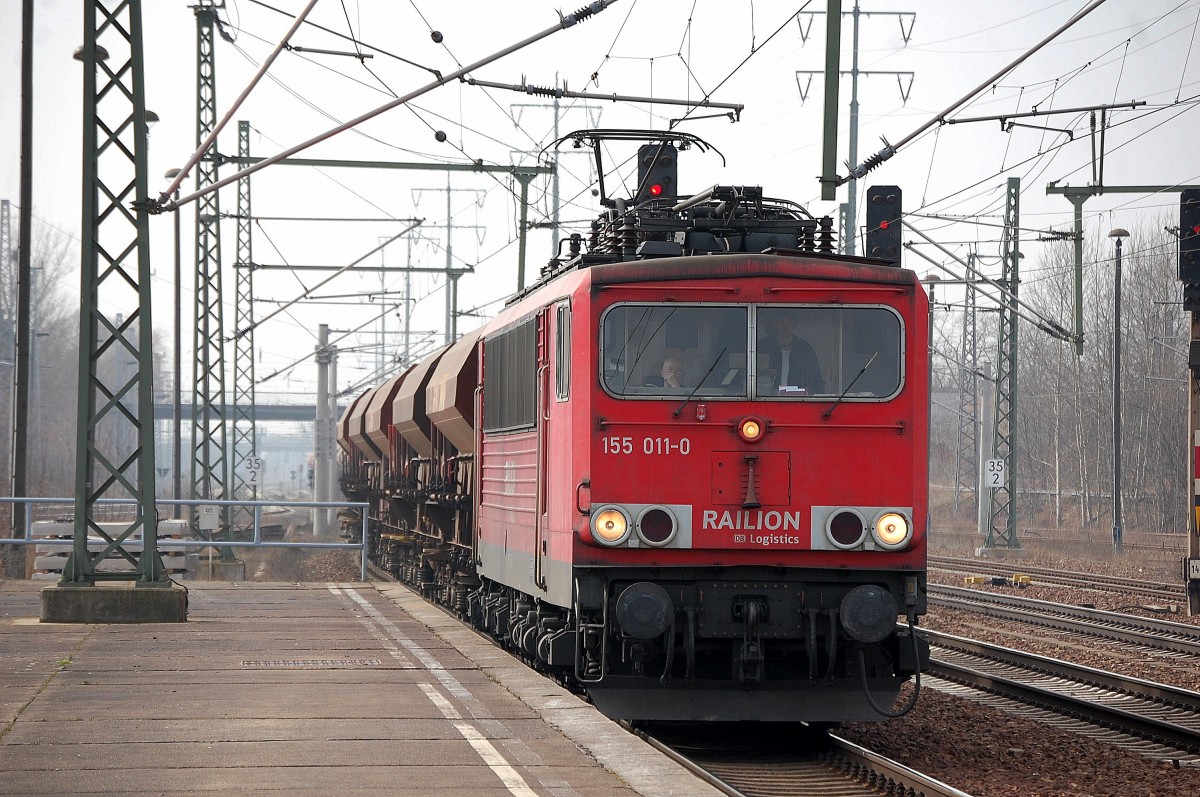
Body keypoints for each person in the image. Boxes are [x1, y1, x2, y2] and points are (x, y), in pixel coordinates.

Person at [759, 314, 825, 394]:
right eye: (782, 322)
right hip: (768, 400)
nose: (785, 326)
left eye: (789, 322)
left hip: (798, 401)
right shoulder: (763, 347)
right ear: (775, 324)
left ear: (794, 325)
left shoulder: (805, 349)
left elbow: (816, 380)